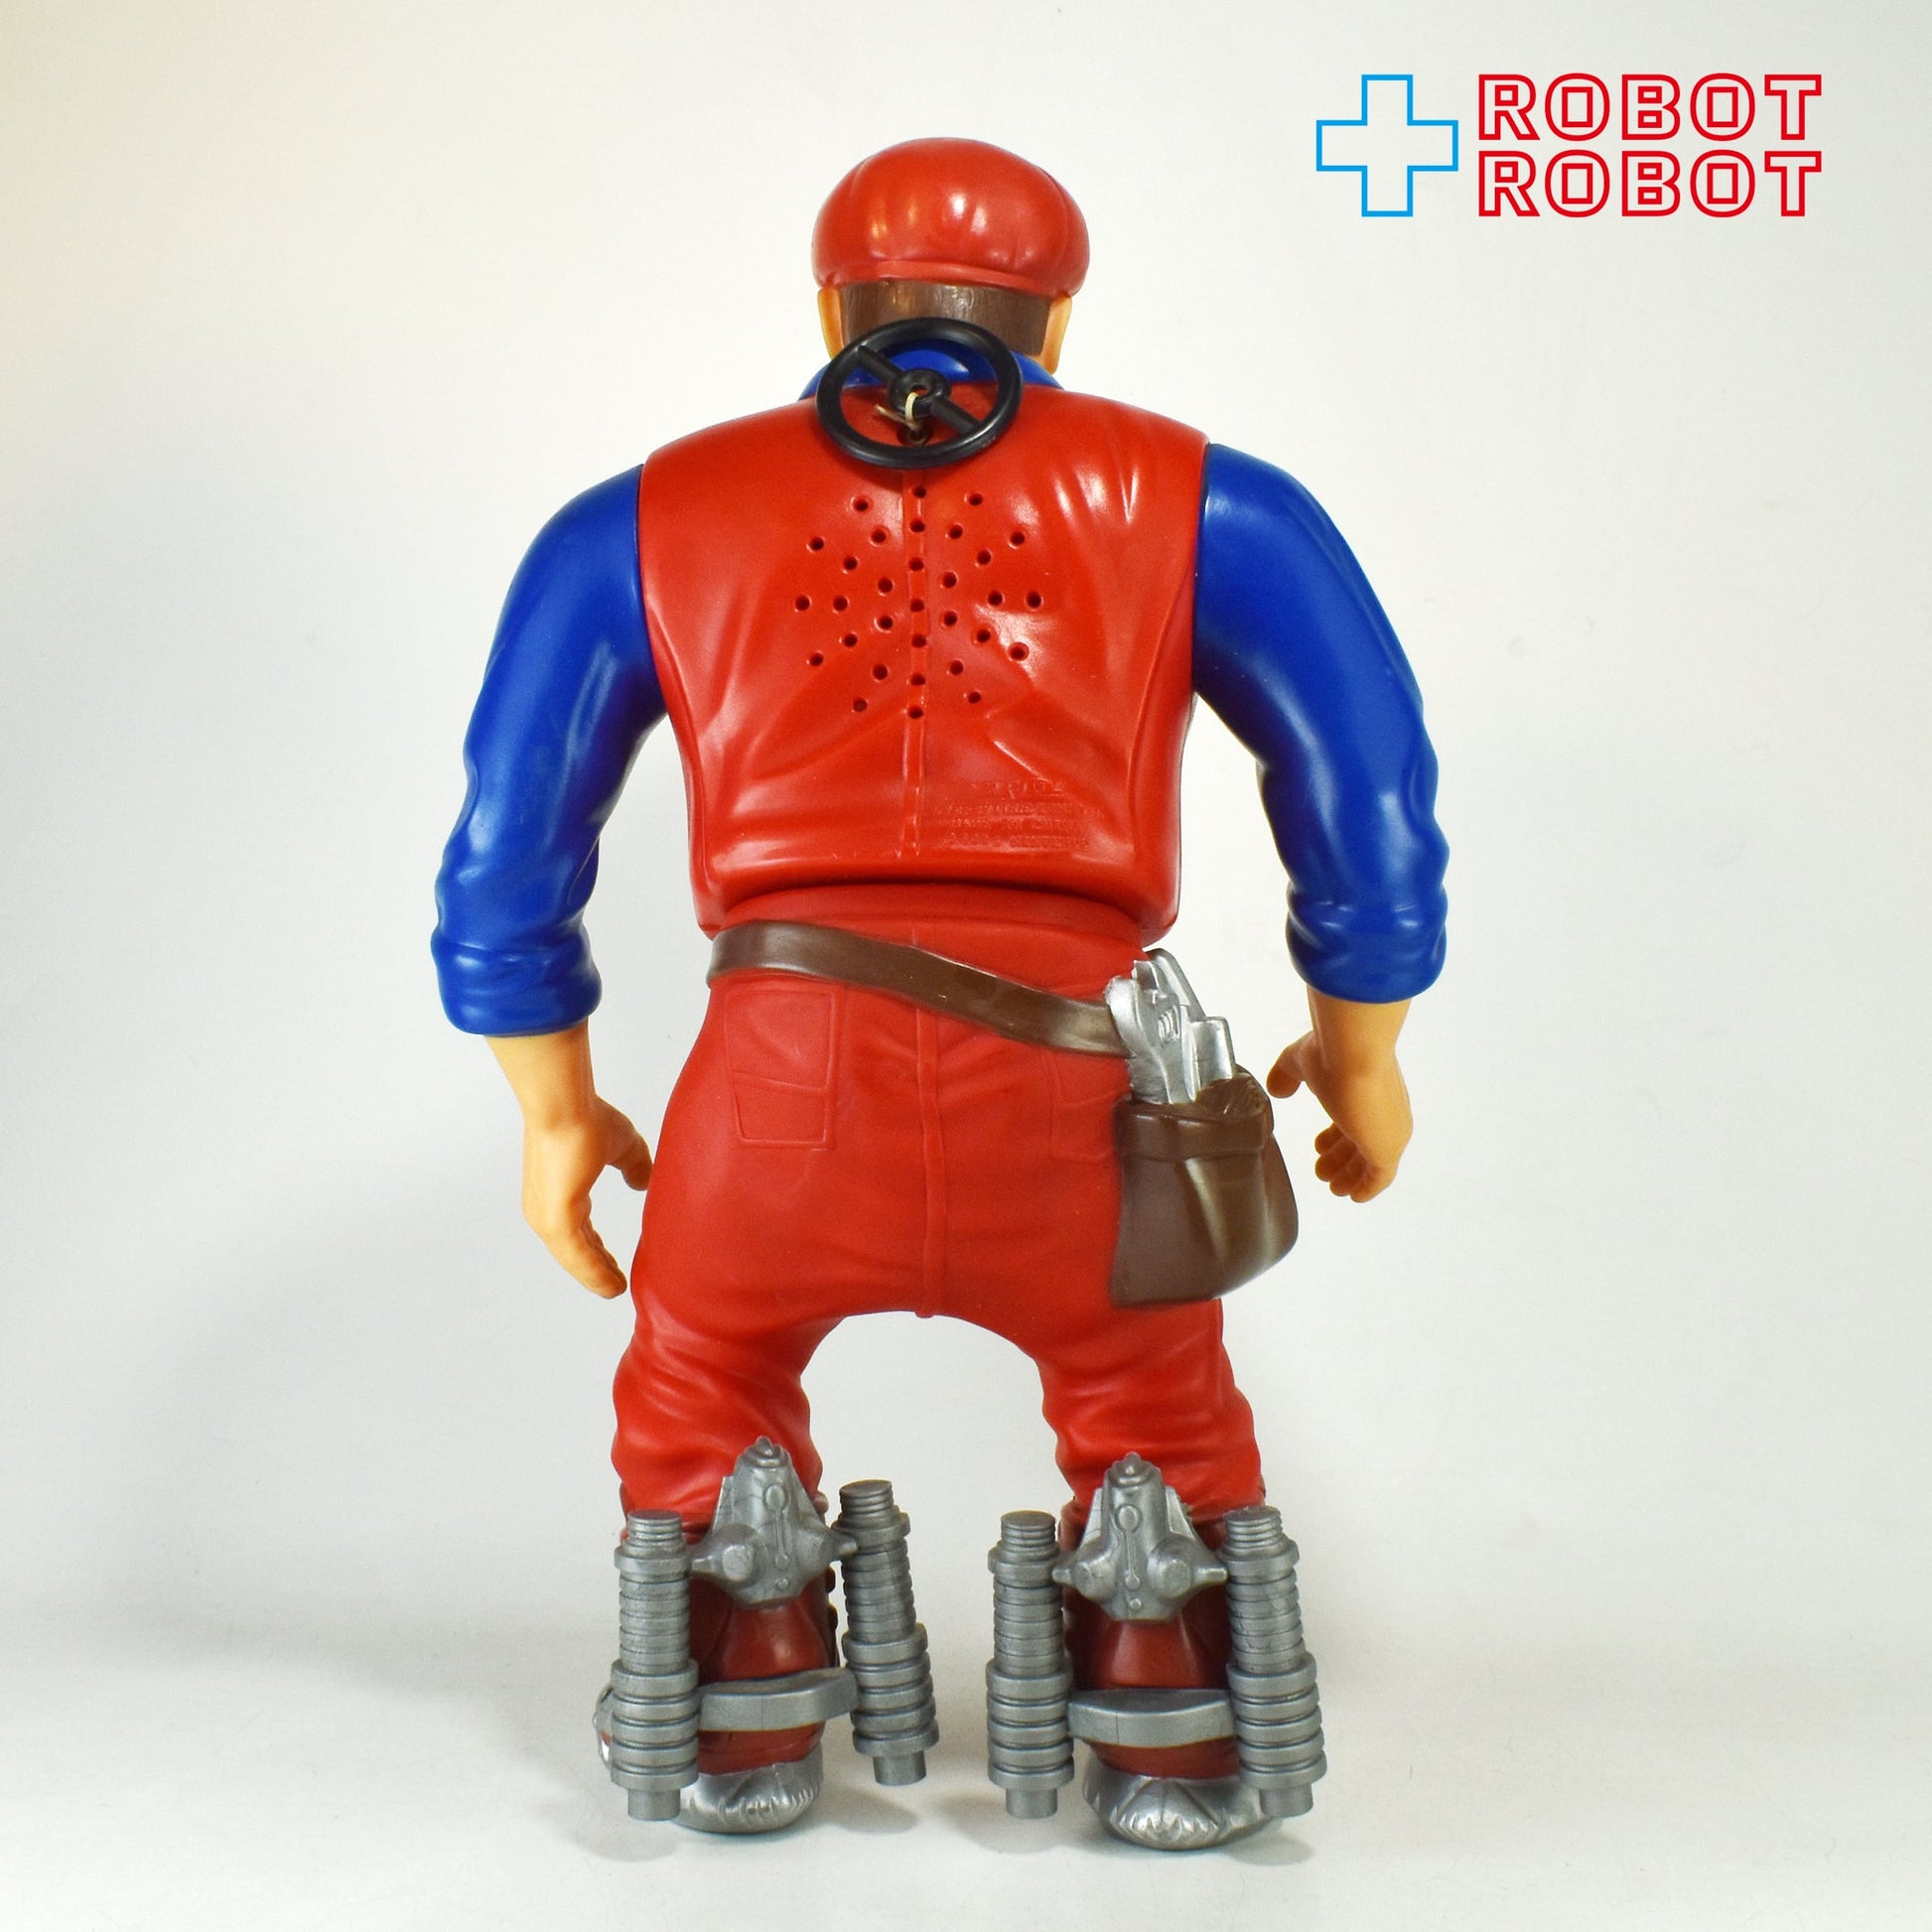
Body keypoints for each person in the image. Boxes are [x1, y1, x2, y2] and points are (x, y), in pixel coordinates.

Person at [433, 137, 1448, 1848]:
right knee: (1151, 1400)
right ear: (1058, 320)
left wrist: (551, 1108)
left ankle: (745, 1678)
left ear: (830, 307)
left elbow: (502, 847)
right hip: (1080, 1087)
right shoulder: (1216, 506)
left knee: (701, 1375)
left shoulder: (637, 520)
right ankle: (1168, 1705)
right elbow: (1371, 794)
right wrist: (1364, 1050)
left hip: (776, 1071)